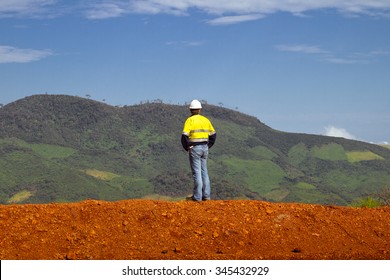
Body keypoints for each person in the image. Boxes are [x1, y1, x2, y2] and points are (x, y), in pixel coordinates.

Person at [181, 99, 216, 201]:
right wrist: (209, 145)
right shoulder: (206, 120)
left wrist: (187, 147)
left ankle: (197, 197)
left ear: (191, 110)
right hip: (205, 148)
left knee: (197, 173)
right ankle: (206, 196)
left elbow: (184, 136)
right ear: (200, 109)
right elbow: (213, 134)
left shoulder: (189, 120)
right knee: (204, 171)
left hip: (195, 148)